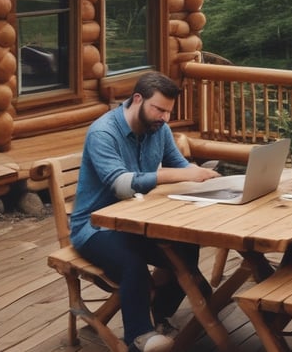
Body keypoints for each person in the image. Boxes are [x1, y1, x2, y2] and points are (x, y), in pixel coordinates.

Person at [70, 71, 220, 352]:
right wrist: (169, 176)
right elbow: (121, 184)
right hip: (94, 227)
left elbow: (179, 164)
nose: (164, 117)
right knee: (132, 261)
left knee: (185, 243)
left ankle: (160, 314)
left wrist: (208, 177)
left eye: (168, 112)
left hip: (139, 221)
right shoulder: (104, 132)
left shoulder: (158, 128)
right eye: (159, 109)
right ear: (137, 99)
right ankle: (140, 338)